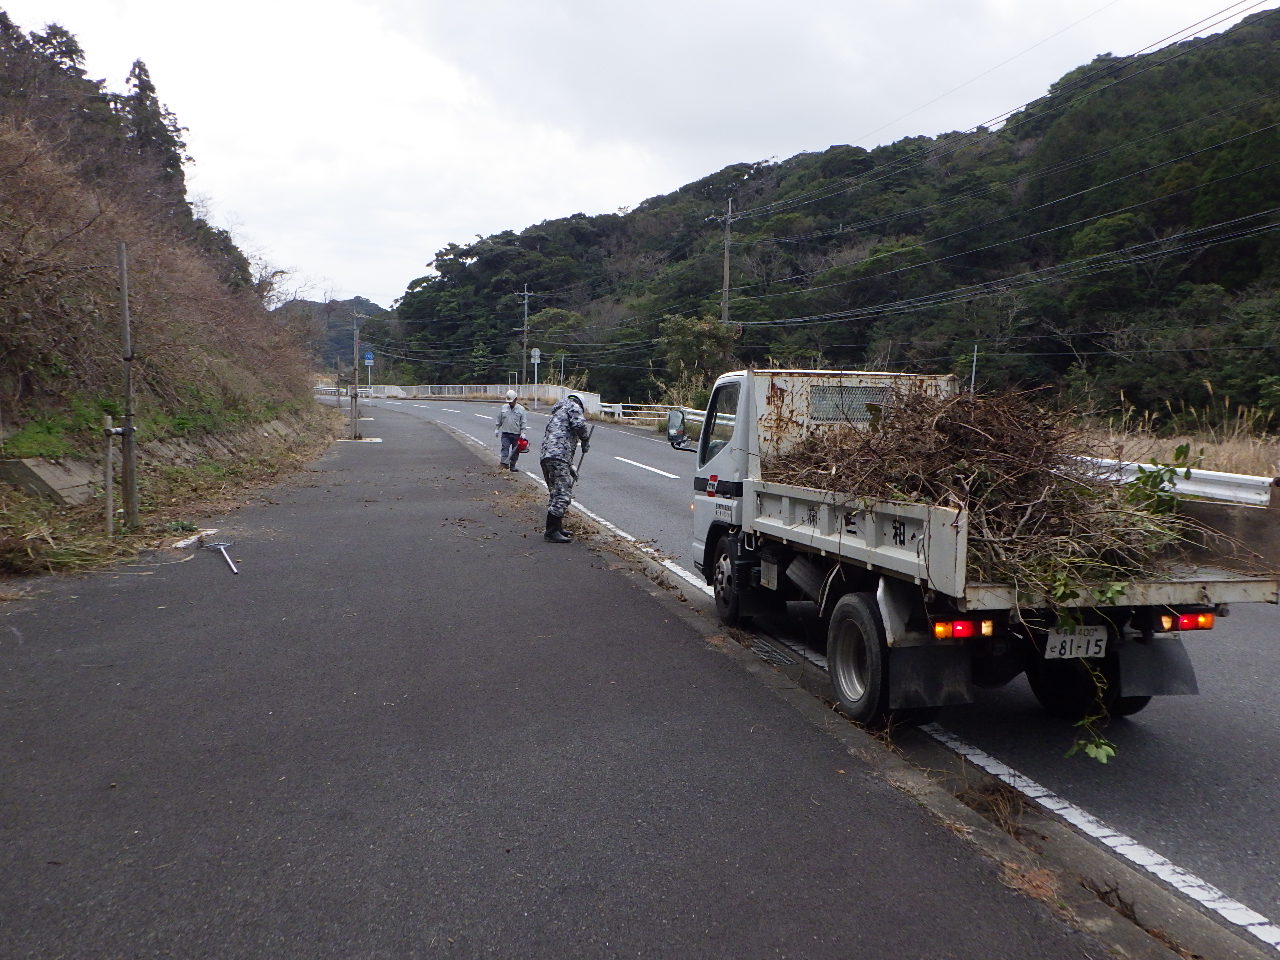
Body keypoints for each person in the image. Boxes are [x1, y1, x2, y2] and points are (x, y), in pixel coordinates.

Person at [539, 393, 591, 543]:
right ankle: (551, 532)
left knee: (555, 493)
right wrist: (585, 440)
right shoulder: (573, 407)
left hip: (547, 456)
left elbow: (560, 439)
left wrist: (570, 466)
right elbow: (579, 425)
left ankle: (557, 527)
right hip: (559, 456)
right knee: (562, 495)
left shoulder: (558, 412)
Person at [494, 389, 527, 472]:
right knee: (505, 448)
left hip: (516, 434)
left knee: (515, 451)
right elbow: (499, 418)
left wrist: (523, 432)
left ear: (515, 399)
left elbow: (523, 422)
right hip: (505, 433)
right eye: (508, 401)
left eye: (511, 401)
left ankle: (513, 466)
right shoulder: (504, 407)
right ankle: (503, 464)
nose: (509, 403)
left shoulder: (521, 409)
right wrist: (497, 428)